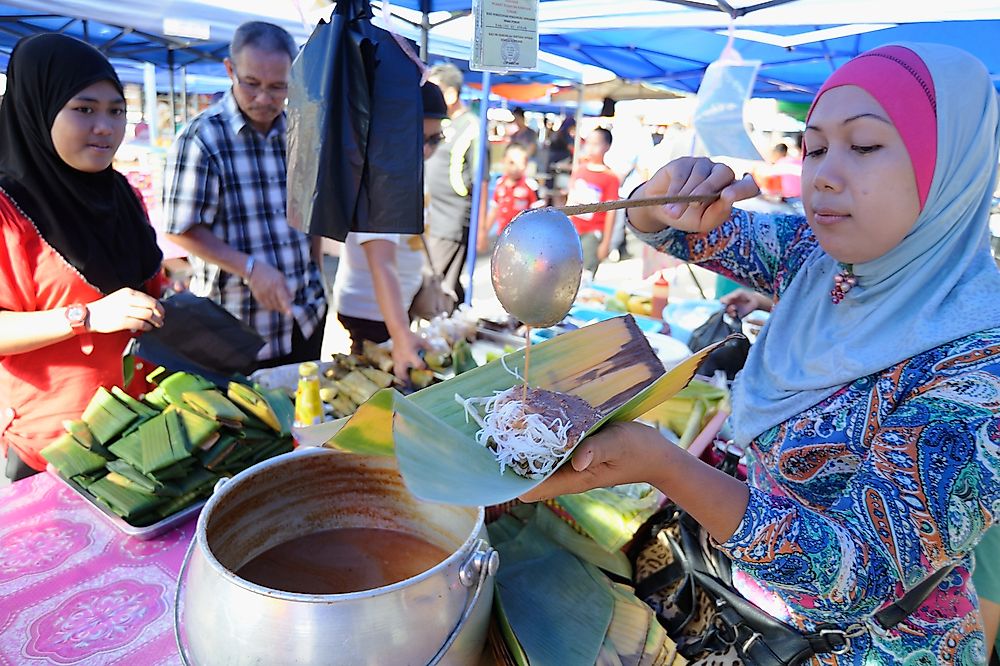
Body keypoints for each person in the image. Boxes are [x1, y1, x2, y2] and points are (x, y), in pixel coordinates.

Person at [523, 43, 1000, 663]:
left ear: (948, 167)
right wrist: (659, 194)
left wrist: (666, 466)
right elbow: (682, 226)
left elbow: (851, 575)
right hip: (753, 622)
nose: (824, 173)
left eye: (864, 145)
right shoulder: (820, 261)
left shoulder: (976, 368)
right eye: (817, 146)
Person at [0, 34, 166, 482]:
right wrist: (86, 316)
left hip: (148, 431)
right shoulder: (6, 210)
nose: (105, 127)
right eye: (84, 109)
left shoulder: (123, 196)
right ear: (38, 107)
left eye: (116, 111)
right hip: (57, 449)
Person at [163, 21, 327, 369]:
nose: (264, 99)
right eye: (251, 84)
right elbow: (180, 228)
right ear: (230, 70)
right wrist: (251, 268)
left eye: (278, 87)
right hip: (236, 325)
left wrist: (316, 269)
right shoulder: (202, 138)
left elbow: (311, 214)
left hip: (304, 314)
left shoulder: (301, 133)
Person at [333, 82, 448, 381]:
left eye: (434, 139)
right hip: (371, 311)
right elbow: (381, 261)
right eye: (417, 137)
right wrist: (400, 334)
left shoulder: (403, 169)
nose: (425, 149)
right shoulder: (379, 176)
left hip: (392, 307)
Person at [424, 63, 479, 306]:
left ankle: (448, 336)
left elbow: (481, 179)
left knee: (441, 286)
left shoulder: (471, 126)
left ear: (451, 94)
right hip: (431, 218)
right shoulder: (442, 121)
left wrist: (482, 227)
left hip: (451, 220)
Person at [566, 128, 620, 276]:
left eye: (596, 143)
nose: (591, 147)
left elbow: (611, 211)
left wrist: (606, 242)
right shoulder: (580, 170)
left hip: (593, 232)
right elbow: (571, 199)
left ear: (607, 146)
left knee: (585, 274)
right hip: (573, 229)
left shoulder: (610, 177)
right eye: (589, 143)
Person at [477, 143, 541, 254]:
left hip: (523, 239)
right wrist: (484, 232)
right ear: (504, 161)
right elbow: (494, 210)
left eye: (521, 163)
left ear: (526, 164)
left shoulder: (530, 186)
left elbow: (539, 215)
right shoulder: (500, 184)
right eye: (511, 162)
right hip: (503, 237)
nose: (515, 167)